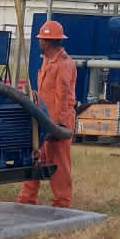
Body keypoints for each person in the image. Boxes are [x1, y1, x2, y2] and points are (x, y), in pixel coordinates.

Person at [17, 20, 77, 209]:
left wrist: (56, 126)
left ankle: (62, 203)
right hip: (43, 120)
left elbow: (63, 96)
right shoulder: (47, 61)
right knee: (35, 159)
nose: (39, 42)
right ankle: (26, 200)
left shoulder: (64, 65)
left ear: (47, 42)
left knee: (58, 164)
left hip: (57, 123)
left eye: (41, 39)